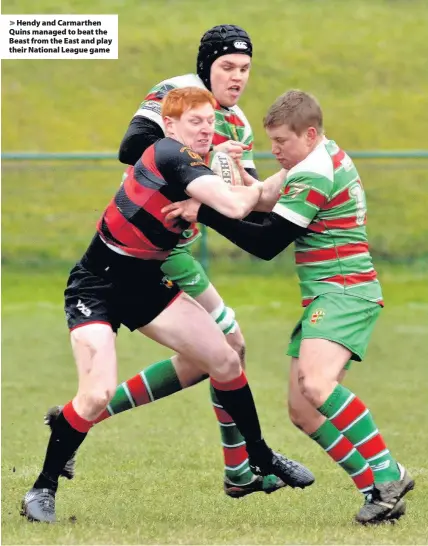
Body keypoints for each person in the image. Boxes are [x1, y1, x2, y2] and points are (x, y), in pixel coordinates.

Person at [21, 87, 314, 524]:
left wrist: (302, 169)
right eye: (194, 122)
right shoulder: (167, 153)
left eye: (210, 122)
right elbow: (237, 206)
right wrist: (233, 194)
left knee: (226, 360)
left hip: (145, 283)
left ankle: (260, 457)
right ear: (171, 126)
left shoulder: (203, 162)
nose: (204, 129)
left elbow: (258, 202)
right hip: (96, 285)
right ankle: (42, 487)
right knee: (96, 394)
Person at [46, 24, 286, 498]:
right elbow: (133, 149)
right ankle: (239, 472)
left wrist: (285, 180)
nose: (237, 78)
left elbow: (246, 198)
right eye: (227, 68)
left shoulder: (236, 121)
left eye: (245, 70)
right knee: (228, 350)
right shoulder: (177, 95)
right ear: (205, 67)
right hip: (148, 245)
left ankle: (236, 471)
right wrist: (204, 168)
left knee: (225, 353)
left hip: (174, 247)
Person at [162, 89, 415, 524]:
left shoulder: (313, 175)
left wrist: (202, 211)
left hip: (344, 292)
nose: (274, 150)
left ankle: (390, 473)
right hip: (328, 293)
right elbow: (261, 201)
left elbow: (265, 241)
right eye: (271, 141)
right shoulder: (316, 157)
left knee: (316, 386)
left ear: (310, 134)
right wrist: (234, 179)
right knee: (303, 411)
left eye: (281, 141)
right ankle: (378, 493)